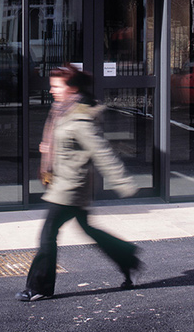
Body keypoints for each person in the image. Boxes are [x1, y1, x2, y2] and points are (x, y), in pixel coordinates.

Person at [16, 64, 141, 302]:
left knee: (47, 234)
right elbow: (63, 143)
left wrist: (122, 182)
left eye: (56, 86)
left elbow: (101, 152)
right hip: (61, 183)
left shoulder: (81, 117)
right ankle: (128, 258)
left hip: (71, 187)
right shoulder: (62, 110)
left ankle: (39, 286)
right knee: (88, 229)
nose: (52, 90)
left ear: (71, 87)